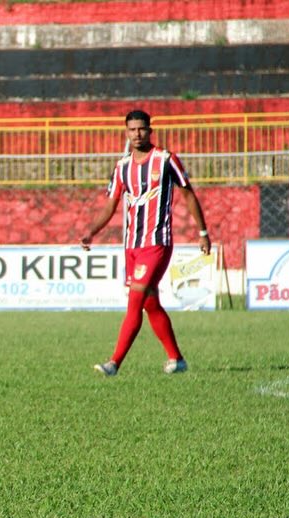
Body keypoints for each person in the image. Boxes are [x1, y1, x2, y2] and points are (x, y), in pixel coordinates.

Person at [81, 109, 211, 376]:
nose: (137, 134)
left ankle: (114, 363)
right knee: (150, 303)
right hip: (132, 245)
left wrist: (203, 233)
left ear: (150, 130)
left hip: (157, 243)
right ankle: (177, 359)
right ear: (126, 132)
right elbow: (110, 205)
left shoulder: (165, 160)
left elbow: (188, 195)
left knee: (134, 301)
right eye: (132, 130)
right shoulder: (121, 167)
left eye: (141, 129)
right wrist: (91, 231)